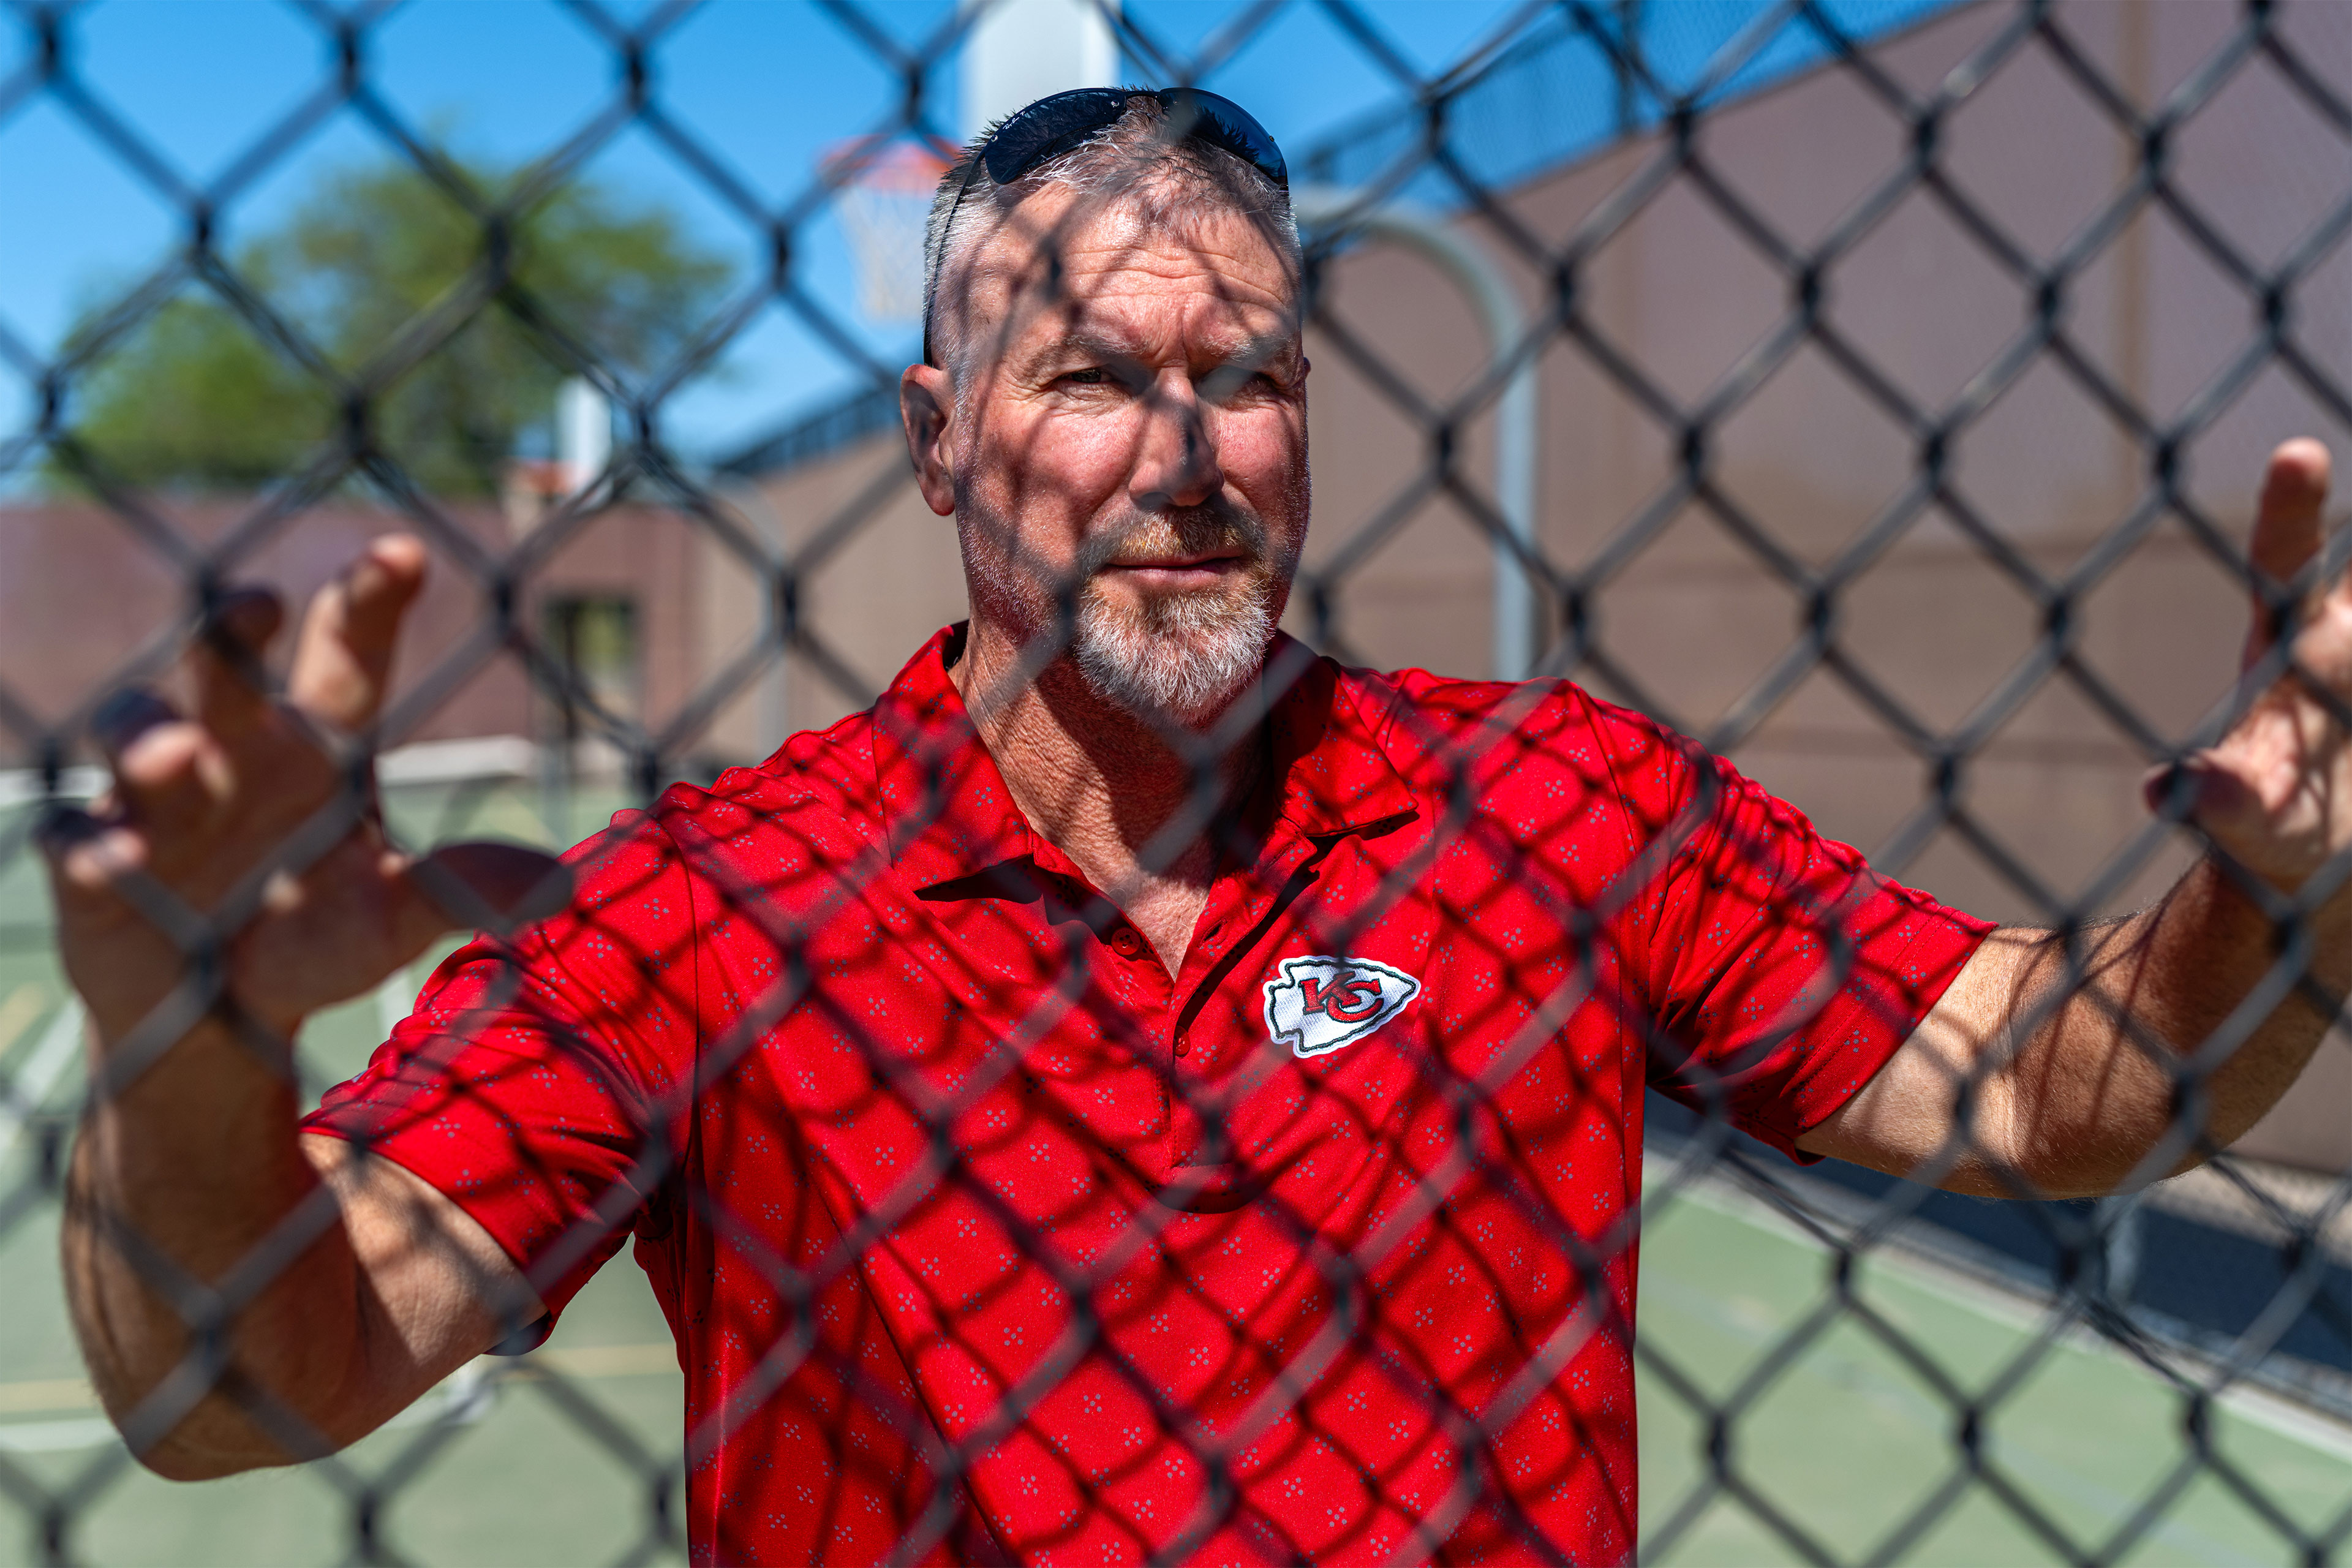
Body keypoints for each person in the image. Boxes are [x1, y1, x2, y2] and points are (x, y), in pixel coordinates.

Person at [43, 87, 2350, 1565]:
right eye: (1097, 378)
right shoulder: (714, 901)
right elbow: (242, 1383)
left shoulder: (1566, 811)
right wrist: (188, 1040)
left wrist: (2271, 898)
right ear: (944, 440)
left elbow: (2059, 1087)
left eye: (1249, 379)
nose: (1190, 448)